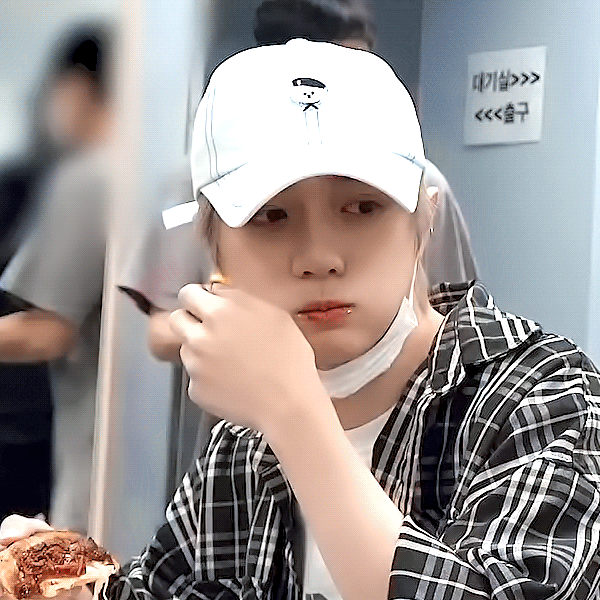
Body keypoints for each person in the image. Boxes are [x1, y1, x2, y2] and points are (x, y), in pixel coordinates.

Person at [4, 40, 600, 600]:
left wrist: (294, 414)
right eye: (271, 216)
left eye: (362, 206)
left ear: (427, 221)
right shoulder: (242, 442)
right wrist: (69, 577)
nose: (319, 257)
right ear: (214, 249)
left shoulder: (544, 396)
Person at [0, 25, 113, 534]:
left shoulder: (89, 180)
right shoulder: (150, 175)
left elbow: (49, 330)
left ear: (78, 88)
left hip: (95, 455)